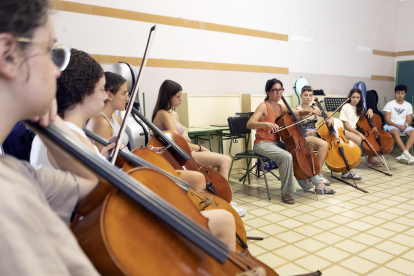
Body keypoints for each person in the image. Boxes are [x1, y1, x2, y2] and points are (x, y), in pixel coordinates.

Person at [30, 52, 237, 251]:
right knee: (223, 220)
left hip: (96, 216)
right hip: (93, 227)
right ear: (85, 91)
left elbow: (83, 178)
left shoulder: (70, 132)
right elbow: (94, 190)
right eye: (102, 89)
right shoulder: (67, 135)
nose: (105, 96)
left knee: (209, 213)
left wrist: (104, 157)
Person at [0, 0, 100, 274]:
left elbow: (94, 184)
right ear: (9, 55)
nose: (57, 70)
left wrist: (51, 123)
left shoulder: (14, 172)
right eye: (51, 52)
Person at [87, 72, 207, 192]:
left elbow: (122, 152)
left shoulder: (116, 118)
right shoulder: (100, 122)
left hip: (133, 165)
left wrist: (146, 152)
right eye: (124, 94)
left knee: (197, 178)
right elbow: (106, 163)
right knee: (197, 179)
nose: (128, 99)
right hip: (128, 174)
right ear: (109, 95)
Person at [152, 79, 246, 216]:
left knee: (223, 158)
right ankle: (223, 202)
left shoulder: (174, 113)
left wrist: (196, 146)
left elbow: (182, 140)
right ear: (168, 96)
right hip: (176, 155)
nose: (181, 99)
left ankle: (221, 198)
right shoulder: (162, 114)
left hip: (184, 151)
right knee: (225, 160)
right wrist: (199, 147)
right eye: (178, 96)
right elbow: (177, 141)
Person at [247, 78, 335, 205]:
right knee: (287, 156)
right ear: (268, 92)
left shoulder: (281, 107)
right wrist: (266, 123)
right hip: (262, 144)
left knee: (300, 153)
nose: (278, 93)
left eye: (281, 89)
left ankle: (318, 184)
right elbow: (249, 124)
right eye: (275, 90)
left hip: (276, 143)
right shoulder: (263, 106)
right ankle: (287, 192)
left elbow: (298, 112)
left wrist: (311, 111)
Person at [339, 88, 382, 178]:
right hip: (345, 131)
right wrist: (358, 133)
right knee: (358, 139)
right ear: (350, 97)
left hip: (354, 130)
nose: (355, 99)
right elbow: (346, 126)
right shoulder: (345, 107)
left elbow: (367, 117)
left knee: (371, 137)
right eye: (353, 97)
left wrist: (370, 109)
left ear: (360, 98)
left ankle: (370, 160)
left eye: (357, 97)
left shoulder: (360, 107)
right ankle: (347, 169)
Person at [295, 85, 333, 185]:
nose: (308, 97)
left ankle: (343, 170)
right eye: (305, 95)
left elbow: (328, 113)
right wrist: (307, 133)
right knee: (324, 145)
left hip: (315, 134)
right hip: (304, 136)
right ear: (301, 96)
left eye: (310, 95)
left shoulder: (314, 107)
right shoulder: (297, 110)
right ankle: (318, 174)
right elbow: (295, 129)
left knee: (331, 141)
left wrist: (330, 118)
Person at [383, 84, 414, 164]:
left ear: (405, 94)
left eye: (402, 93)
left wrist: (405, 125)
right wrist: (397, 126)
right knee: (395, 132)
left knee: (413, 133)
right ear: (395, 94)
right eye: (398, 93)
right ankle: (407, 153)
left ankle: (404, 155)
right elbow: (387, 120)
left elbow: (409, 120)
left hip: (404, 126)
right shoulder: (389, 104)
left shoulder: (408, 105)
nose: (400, 95)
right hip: (392, 125)